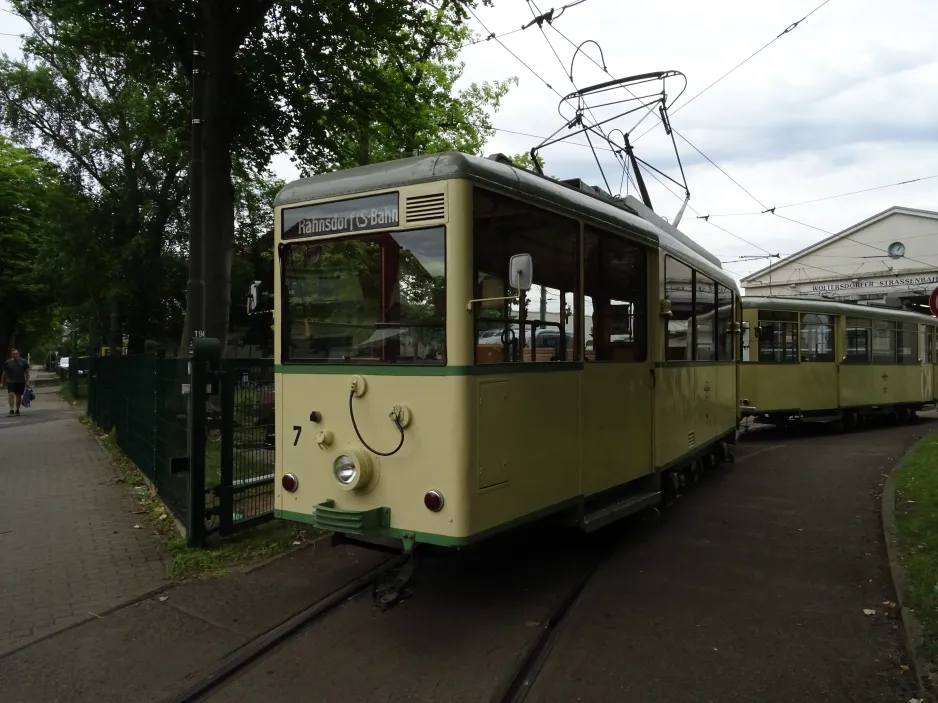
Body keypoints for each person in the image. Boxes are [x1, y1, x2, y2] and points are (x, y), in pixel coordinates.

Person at [2, 349, 30, 416]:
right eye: (13, 354)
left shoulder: (23, 362)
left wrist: (27, 381)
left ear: (18, 354)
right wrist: (2, 382)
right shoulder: (7, 362)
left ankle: (17, 410)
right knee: (11, 394)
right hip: (10, 381)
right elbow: (4, 372)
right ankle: (11, 410)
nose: (15, 355)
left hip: (20, 381)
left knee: (18, 396)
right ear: (11, 355)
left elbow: (27, 372)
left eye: (16, 353)